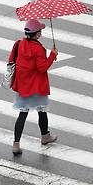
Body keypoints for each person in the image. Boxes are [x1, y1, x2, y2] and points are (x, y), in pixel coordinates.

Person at [9, 19, 58, 155]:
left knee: (22, 114)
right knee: (42, 111)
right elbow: (42, 68)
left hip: (23, 87)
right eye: (40, 31)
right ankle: (45, 136)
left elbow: (11, 60)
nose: (41, 33)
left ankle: (16, 143)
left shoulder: (19, 44)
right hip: (37, 86)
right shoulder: (39, 49)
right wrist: (52, 55)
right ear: (36, 34)